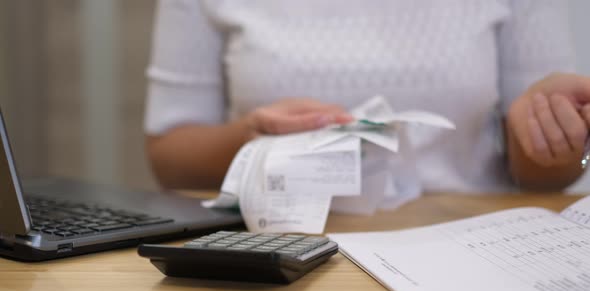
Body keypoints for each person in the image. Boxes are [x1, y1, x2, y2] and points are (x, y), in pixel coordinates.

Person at [144, 0, 590, 193]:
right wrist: (253, 138)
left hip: (470, 240)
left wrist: (553, 139)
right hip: (278, 242)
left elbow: (546, 175)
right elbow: (170, 158)